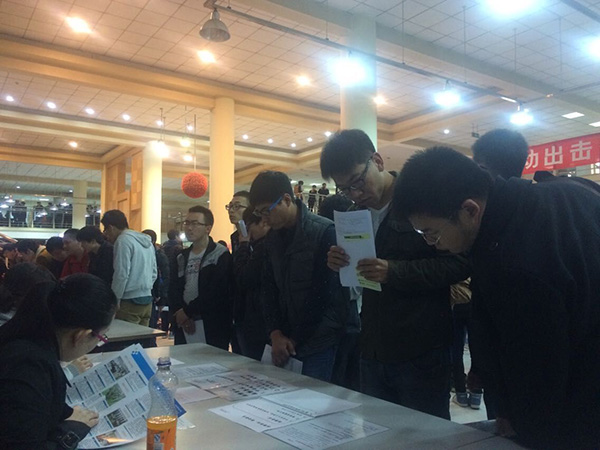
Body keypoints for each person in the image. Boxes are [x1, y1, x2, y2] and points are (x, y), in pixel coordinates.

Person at [394, 146, 600, 448]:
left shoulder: (518, 261)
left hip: (577, 410)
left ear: (469, 210)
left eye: (432, 233)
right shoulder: (558, 195)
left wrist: (521, 423)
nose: (431, 244)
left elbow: (539, 372)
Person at [321, 129, 469, 419]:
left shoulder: (421, 200)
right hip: (372, 347)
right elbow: (358, 279)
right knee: (378, 430)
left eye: (357, 182)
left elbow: (459, 264)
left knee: (425, 433)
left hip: (421, 349)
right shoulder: (352, 215)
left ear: (377, 161)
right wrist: (339, 262)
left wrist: (394, 271)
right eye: (345, 189)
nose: (355, 194)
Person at [0, 273, 118, 448]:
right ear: (81, 335)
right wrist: (71, 430)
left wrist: (64, 413)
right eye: (102, 337)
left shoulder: (26, 340)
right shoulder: (27, 367)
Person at [250, 171, 344, 382]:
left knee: (314, 400)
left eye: (266, 210)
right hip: (282, 341)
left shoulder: (324, 231)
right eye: (259, 213)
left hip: (318, 342)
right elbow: (268, 288)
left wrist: (293, 339)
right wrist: (275, 333)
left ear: (286, 199)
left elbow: (323, 294)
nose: (264, 218)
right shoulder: (272, 238)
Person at [169, 206, 232, 349]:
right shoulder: (181, 256)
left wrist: (188, 312)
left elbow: (216, 291)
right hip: (183, 322)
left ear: (208, 228)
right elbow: (174, 288)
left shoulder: (220, 254)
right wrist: (181, 314)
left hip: (212, 323)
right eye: (187, 223)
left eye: (195, 223)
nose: (189, 228)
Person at [317, 194, 361, 391]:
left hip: (330, 320)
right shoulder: (349, 242)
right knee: (348, 381)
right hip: (349, 318)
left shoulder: (319, 239)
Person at [101, 210, 157, 326]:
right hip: (147, 299)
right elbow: (154, 272)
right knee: (142, 337)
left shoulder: (123, 240)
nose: (106, 235)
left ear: (111, 227)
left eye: (106, 230)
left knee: (126, 336)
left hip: (129, 301)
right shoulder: (147, 242)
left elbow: (121, 274)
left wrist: (115, 299)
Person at [232, 206, 270, 360]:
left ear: (263, 223)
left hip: (257, 322)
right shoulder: (261, 246)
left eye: (248, 226)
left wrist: (243, 246)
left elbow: (243, 277)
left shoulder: (262, 248)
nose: (247, 232)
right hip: (256, 319)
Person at [226, 190, 251, 354]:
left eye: (237, 206)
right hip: (238, 307)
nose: (231, 210)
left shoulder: (257, 235)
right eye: (230, 206)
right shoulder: (235, 236)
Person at [142, 229, 170, 333]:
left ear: (152, 241)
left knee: (151, 327)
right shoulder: (146, 254)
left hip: (154, 296)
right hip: (148, 294)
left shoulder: (159, 256)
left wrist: (162, 297)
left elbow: (165, 277)